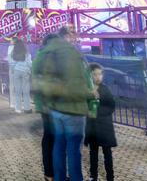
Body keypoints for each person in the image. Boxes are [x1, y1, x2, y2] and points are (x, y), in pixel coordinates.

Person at [34, 26, 96, 181]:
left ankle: (54, 176)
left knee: (55, 144)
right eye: (71, 35)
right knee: (72, 149)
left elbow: (40, 81)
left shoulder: (43, 55)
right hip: (67, 107)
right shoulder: (69, 55)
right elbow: (76, 84)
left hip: (51, 106)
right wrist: (90, 95)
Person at [32, 33, 59, 181]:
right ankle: (50, 174)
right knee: (51, 139)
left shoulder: (46, 57)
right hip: (48, 106)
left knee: (52, 139)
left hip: (53, 105)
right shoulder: (42, 58)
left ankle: (53, 173)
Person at [85, 63, 116, 181]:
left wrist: (100, 112)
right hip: (92, 128)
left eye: (100, 74)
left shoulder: (105, 89)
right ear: (90, 76)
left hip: (104, 128)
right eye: (94, 75)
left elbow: (111, 106)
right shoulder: (88, 90)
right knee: (93, 153)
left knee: (107, 154)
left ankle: (110, 177)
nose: (98, 77)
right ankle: (93, 176)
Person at [9, 38, 32, 113]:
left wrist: (13, 70)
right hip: (25, 72)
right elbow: (29, 64)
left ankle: (18, 109)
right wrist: (30, 70)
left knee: (17, 91)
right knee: (26, 91)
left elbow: (11, 63)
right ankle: (27, 108)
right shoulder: (27, 53)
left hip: (16, 72)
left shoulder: (13, 53)